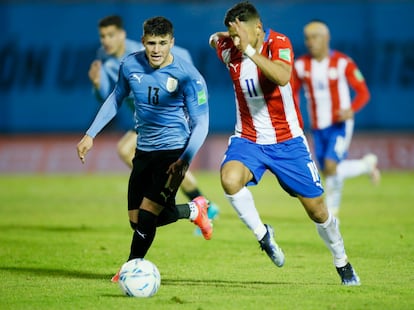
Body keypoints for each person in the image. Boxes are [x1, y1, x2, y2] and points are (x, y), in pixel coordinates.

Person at [209, 1, 360, 285]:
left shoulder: (278, 43)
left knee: (317, 210)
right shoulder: (229, 48)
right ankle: (263, 236)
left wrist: (250, 50)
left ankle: (342, 261)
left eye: (241, 32)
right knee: (229, 179)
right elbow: (214, 39)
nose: (236, 40)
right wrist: (228, 35)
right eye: (234, 34)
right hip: (248, 139)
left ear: (258, 28)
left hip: (288, 142)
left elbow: (281, 76)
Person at [78, 16, 212, 282]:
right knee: (137, 220)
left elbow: (202, 124)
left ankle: (130, 269)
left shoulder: (188, 76)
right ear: (143, 41)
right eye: (151, 43)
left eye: (163, 43)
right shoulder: (130, 65)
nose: (157, 49)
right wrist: (90, 134)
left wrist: (185, 159)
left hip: (173, 152)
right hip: (144, 150)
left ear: (172, 42)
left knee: (149, 215)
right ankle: (195, 210)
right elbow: (115, 98)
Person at [293, 20, 380, 217]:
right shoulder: (301, 65)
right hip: (318, 126)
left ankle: (332, 209)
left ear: (326, 38)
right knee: (328, 170)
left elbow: (363, 92)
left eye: (315, 37)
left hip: (340, 123)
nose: (310, 42)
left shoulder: (343, 62)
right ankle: (365, 165)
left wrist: (351, 109)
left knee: (332, 166)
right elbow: (293, 93)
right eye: (307, 38)